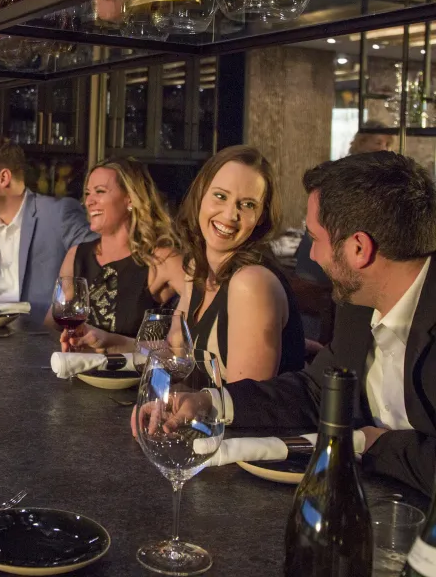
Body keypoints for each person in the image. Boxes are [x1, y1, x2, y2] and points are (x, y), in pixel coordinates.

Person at [187, 151, 436, 495]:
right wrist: (212, 402)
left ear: (359, 249)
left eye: (314, 239)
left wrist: (377, 446)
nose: (314, 256)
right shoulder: (359, 302)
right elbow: (315, 391)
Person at [171, 146, 305, 382]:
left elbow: (246, 403)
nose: (230, 214)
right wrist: (117, 344)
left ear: (262, 216)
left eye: (248, 205)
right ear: (201, 194)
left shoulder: (252, 283)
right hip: (196, 416)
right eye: (220, 196)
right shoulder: (197, 266)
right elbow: (174, 354)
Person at [47, 158, 186, 349]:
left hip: (134, 377)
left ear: (130, 198)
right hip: (79, 373)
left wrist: (115, 343)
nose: (89, 201)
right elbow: (51, 325)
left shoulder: (162, 260)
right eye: (87, 193)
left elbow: (191, 339)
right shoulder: (76, 255)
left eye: (100, 191)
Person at [0, 136, 95, 324]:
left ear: (3, 178)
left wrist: (68, 288)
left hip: (42, 339)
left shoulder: (58, 213)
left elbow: (101, 258)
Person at [295, 121, 395, 285]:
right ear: (362, 142)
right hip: (324, 271)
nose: (384, 148)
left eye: (387, 144)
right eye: (378, 142)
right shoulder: (347, 177)